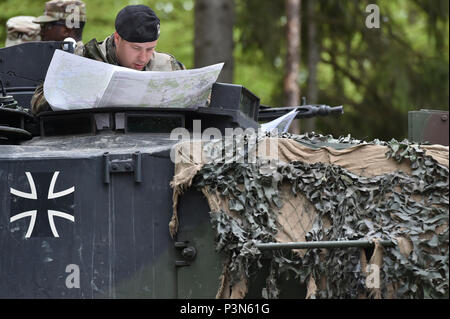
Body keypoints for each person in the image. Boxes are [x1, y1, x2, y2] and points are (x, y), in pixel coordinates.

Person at [31, 4, 185, 115]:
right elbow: (37, 104)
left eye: (150, 49)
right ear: (117, 38)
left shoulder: (168, 66)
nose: (143, 58)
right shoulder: (82, 59)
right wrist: (78, 85)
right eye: (136, 48)